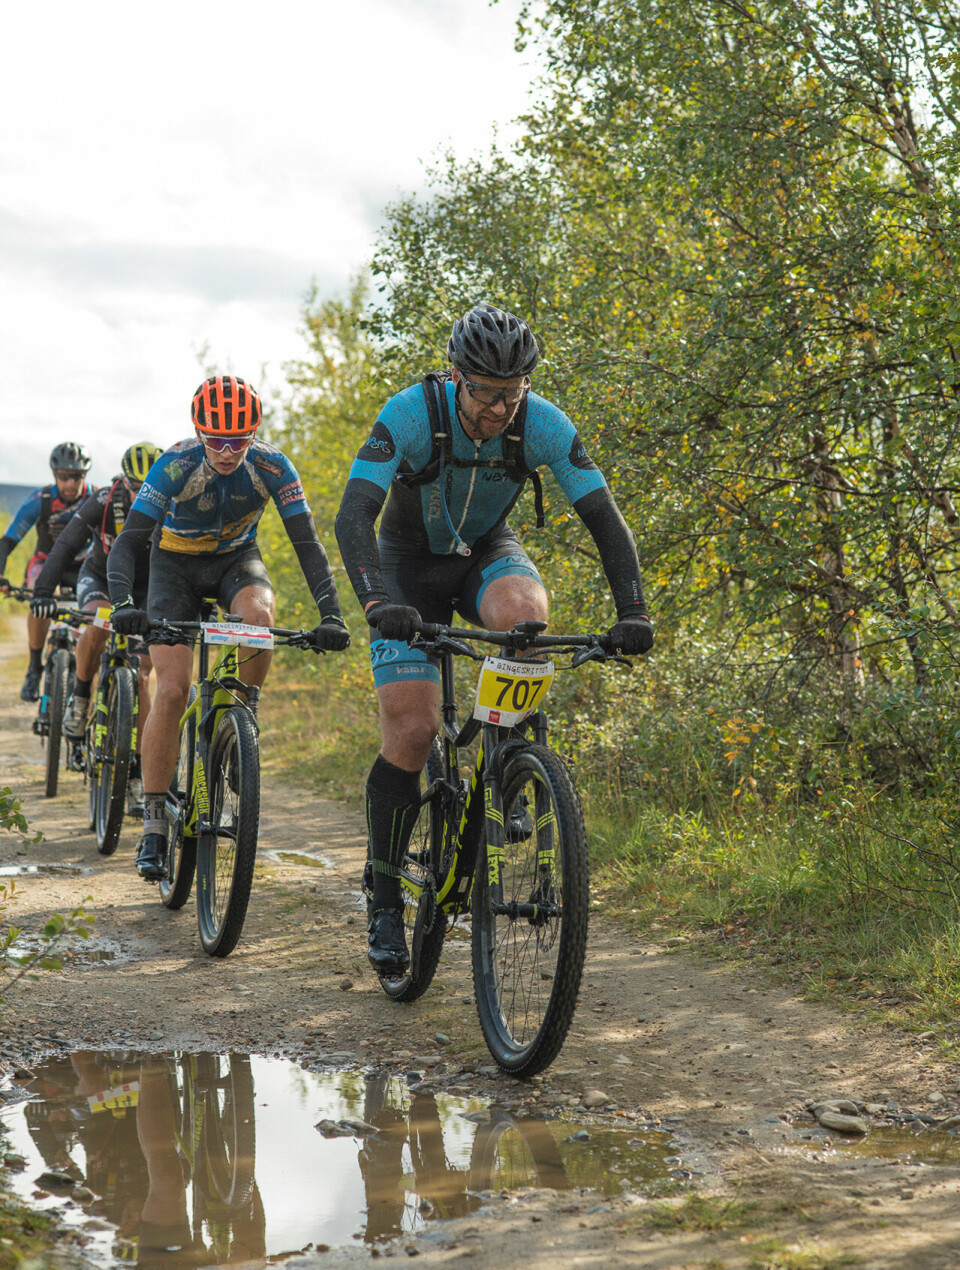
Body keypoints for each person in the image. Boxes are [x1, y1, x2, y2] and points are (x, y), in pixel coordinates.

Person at [335, 302, 654, 977]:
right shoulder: (412, 413)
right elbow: (355, 512)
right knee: (415, 730)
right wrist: (375, 600)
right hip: (406, 569)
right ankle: (386, 895)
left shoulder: (543, 424)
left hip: (484, 553)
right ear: (456, 378)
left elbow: (605, 519)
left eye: (511, 395)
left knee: (524, 615)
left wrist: (633, 611)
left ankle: (509, 759)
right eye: (485, 394)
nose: (498, 410)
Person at [106, 374, 350, 880]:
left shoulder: (272, 466)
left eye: (239, 439)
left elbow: (307, 543)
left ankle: (242, 716)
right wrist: (125, 602)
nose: (226, 450)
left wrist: (331, 612)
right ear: (198, 431)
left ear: (254, 432)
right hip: (172, 568)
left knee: (260, 618)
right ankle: (152, 822)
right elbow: (130, 541)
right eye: (215, 438)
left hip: (236, 562)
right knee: (171, 691)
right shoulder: (175, 464)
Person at [30, 442, 164, 812]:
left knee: (141, 674)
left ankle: (136, 774)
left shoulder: (173, 501)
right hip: (102, 578)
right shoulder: (104, 501)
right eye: (136, 486)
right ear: (124, 482)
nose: (143, 494)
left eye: (149, 485)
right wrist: (44, 590)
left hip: (148, 587)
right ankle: (82, 696)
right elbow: (66, 545)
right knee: (97, 625)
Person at [0, 442, 93, 702]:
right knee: (40, 598)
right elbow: (7, 541)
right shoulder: (41, 501)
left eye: (76, 477)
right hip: (45, 563)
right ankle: (33, 667)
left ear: (84, 475)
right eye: (64, 477)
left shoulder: (95, 498)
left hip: (83, 567)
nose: (70, 484)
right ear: (55, 476)